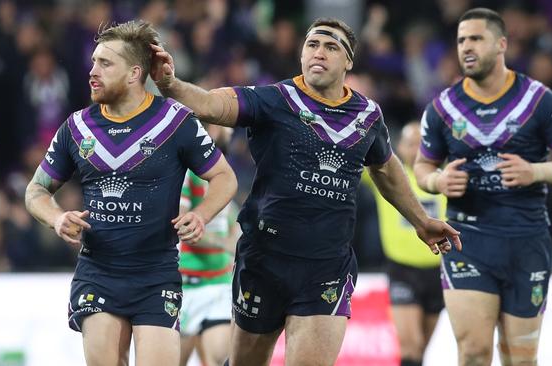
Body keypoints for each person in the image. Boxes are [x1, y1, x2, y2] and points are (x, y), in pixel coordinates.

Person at [151, 17, 462, 366]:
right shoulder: (274, 100)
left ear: (348, 61)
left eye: (331, 47)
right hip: (264, 259)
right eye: (312, 45)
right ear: (301, 55)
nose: (319, 53)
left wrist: (421, 220)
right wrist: (171, 85)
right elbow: (211, 104)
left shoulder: (367, 116)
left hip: (326, 265)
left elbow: (386, 169)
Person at [24, 20, 237, 366]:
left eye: (105, 64)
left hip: (156, 273)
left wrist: (201, 215)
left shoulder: (177, 122)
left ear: (134, 73)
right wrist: (57, 217)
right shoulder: (77, 127)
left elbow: (225, 178)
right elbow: (36, 190)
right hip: (98, 271)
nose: (92, 71)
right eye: (93, 62)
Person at [413, 8, 552, 366]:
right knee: (474, 353)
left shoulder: (539, 100)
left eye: (476, 38)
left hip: (526, 240)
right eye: (462, 39)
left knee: (521, 358)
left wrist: (538, 172)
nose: (466, 46)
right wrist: (437, 180)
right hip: (468, 240)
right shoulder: (442, 107)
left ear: (501, 45)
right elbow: (422, 166)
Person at [362, 121, 446, 366]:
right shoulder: (387, 176)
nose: (417, 150)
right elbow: (356, 161)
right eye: (411, 144)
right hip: (402, 271)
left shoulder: (444, 181)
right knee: (411, 347)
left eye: (423, 145)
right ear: (399, 146)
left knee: (419, 352)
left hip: (437, 273)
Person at [178, 124, 240, 366]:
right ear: (209, 129)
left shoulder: (225, 174)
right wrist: (224, 244)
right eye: (225, 125)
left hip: (218, 285)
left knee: (218, 360)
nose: (231, 131)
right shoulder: (189, 173)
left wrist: (237, 238)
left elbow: (230, 218)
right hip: (186, 285)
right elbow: (181, 225)